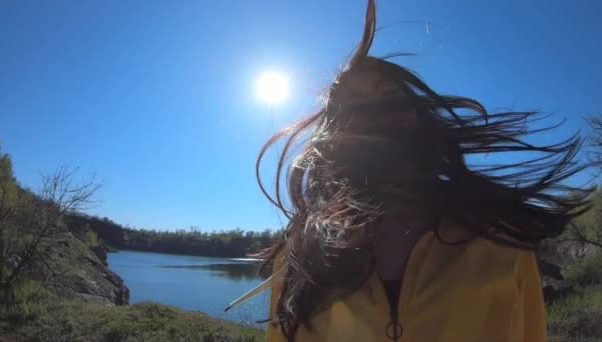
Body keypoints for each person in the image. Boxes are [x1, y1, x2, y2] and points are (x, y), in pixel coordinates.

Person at [249, 1, 591, 341]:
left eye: (389, 98)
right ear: (336, 142)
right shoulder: (301, 256)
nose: (376, 113)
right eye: (354, 108)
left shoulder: (500, 239)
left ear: (417, 119)